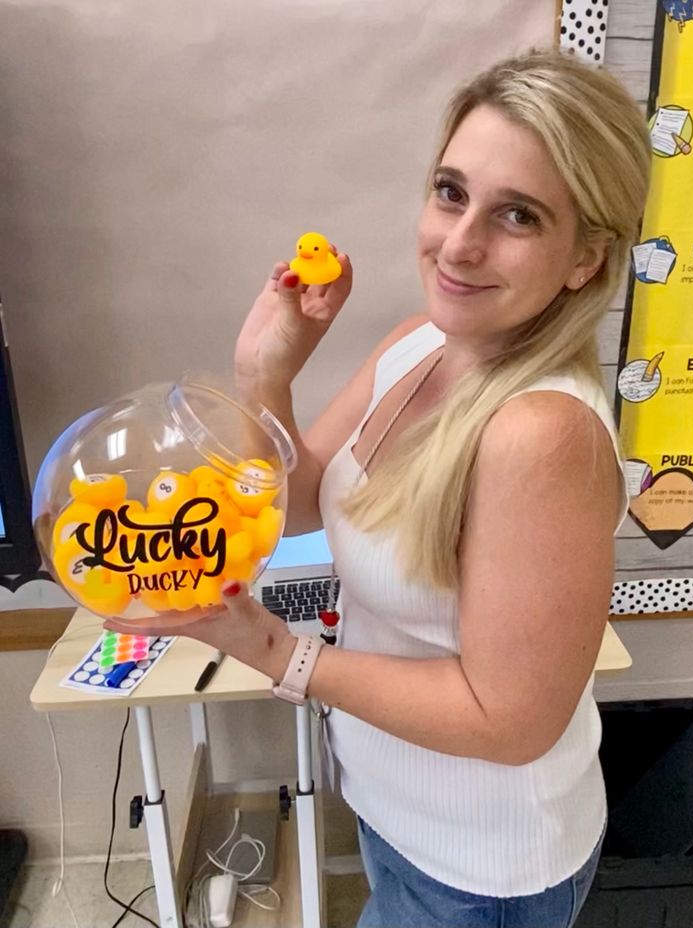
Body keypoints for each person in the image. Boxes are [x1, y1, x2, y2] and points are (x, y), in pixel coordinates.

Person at [108, 48, 650, 927]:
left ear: (585, 257)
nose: (459, 243)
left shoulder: (540, 436)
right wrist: (264, 377)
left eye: (516, 215)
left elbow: (510, 719)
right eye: (450, 192)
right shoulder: (420, 344)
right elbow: (302, 503)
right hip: (392, 806)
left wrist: (277, 653)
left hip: (481, 868)